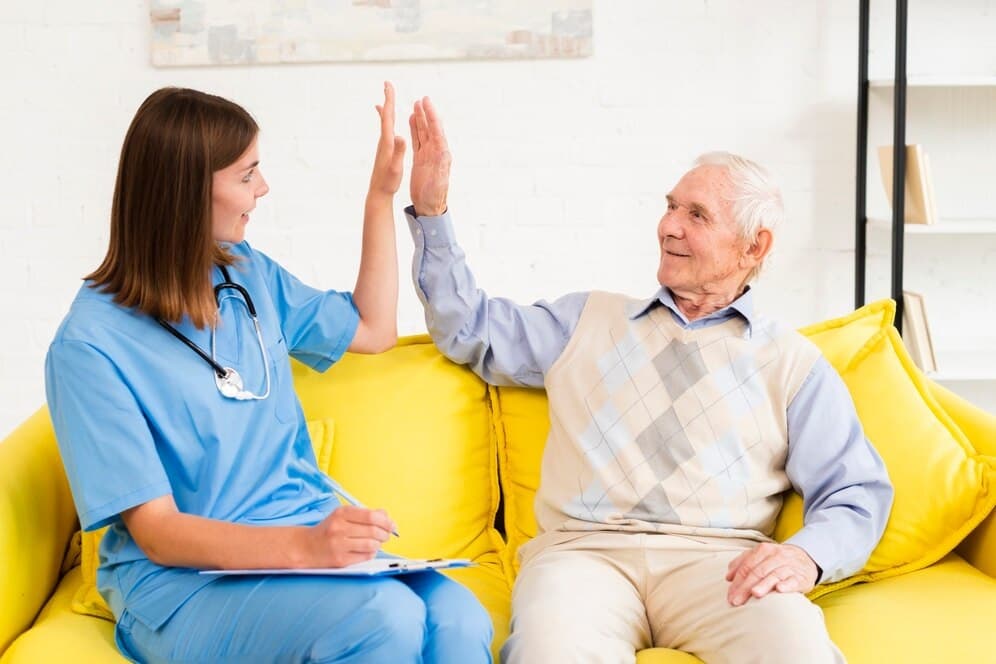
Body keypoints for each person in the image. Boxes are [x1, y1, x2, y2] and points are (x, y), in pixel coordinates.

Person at [404, 97, 893, 663]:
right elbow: (468, 328)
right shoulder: (585, 320)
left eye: (697, 215)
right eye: (670, 207)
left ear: (754, 246)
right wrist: (433, 211)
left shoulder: (793, 363)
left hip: (721, 563)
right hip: (582, 557)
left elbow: (855, 493)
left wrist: (805, 556)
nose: (668, 226)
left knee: (799, 652)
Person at [45, 84, 492, 664]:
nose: (264, 189)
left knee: (459, 618)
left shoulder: (245, 275)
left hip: (297, 541)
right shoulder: (88, 347)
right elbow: (156, 531)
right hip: (182, 582)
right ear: (185, 193)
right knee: (384, 620)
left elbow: (373, 329)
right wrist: (308, 548)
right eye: (247, 175)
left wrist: (380, 196)